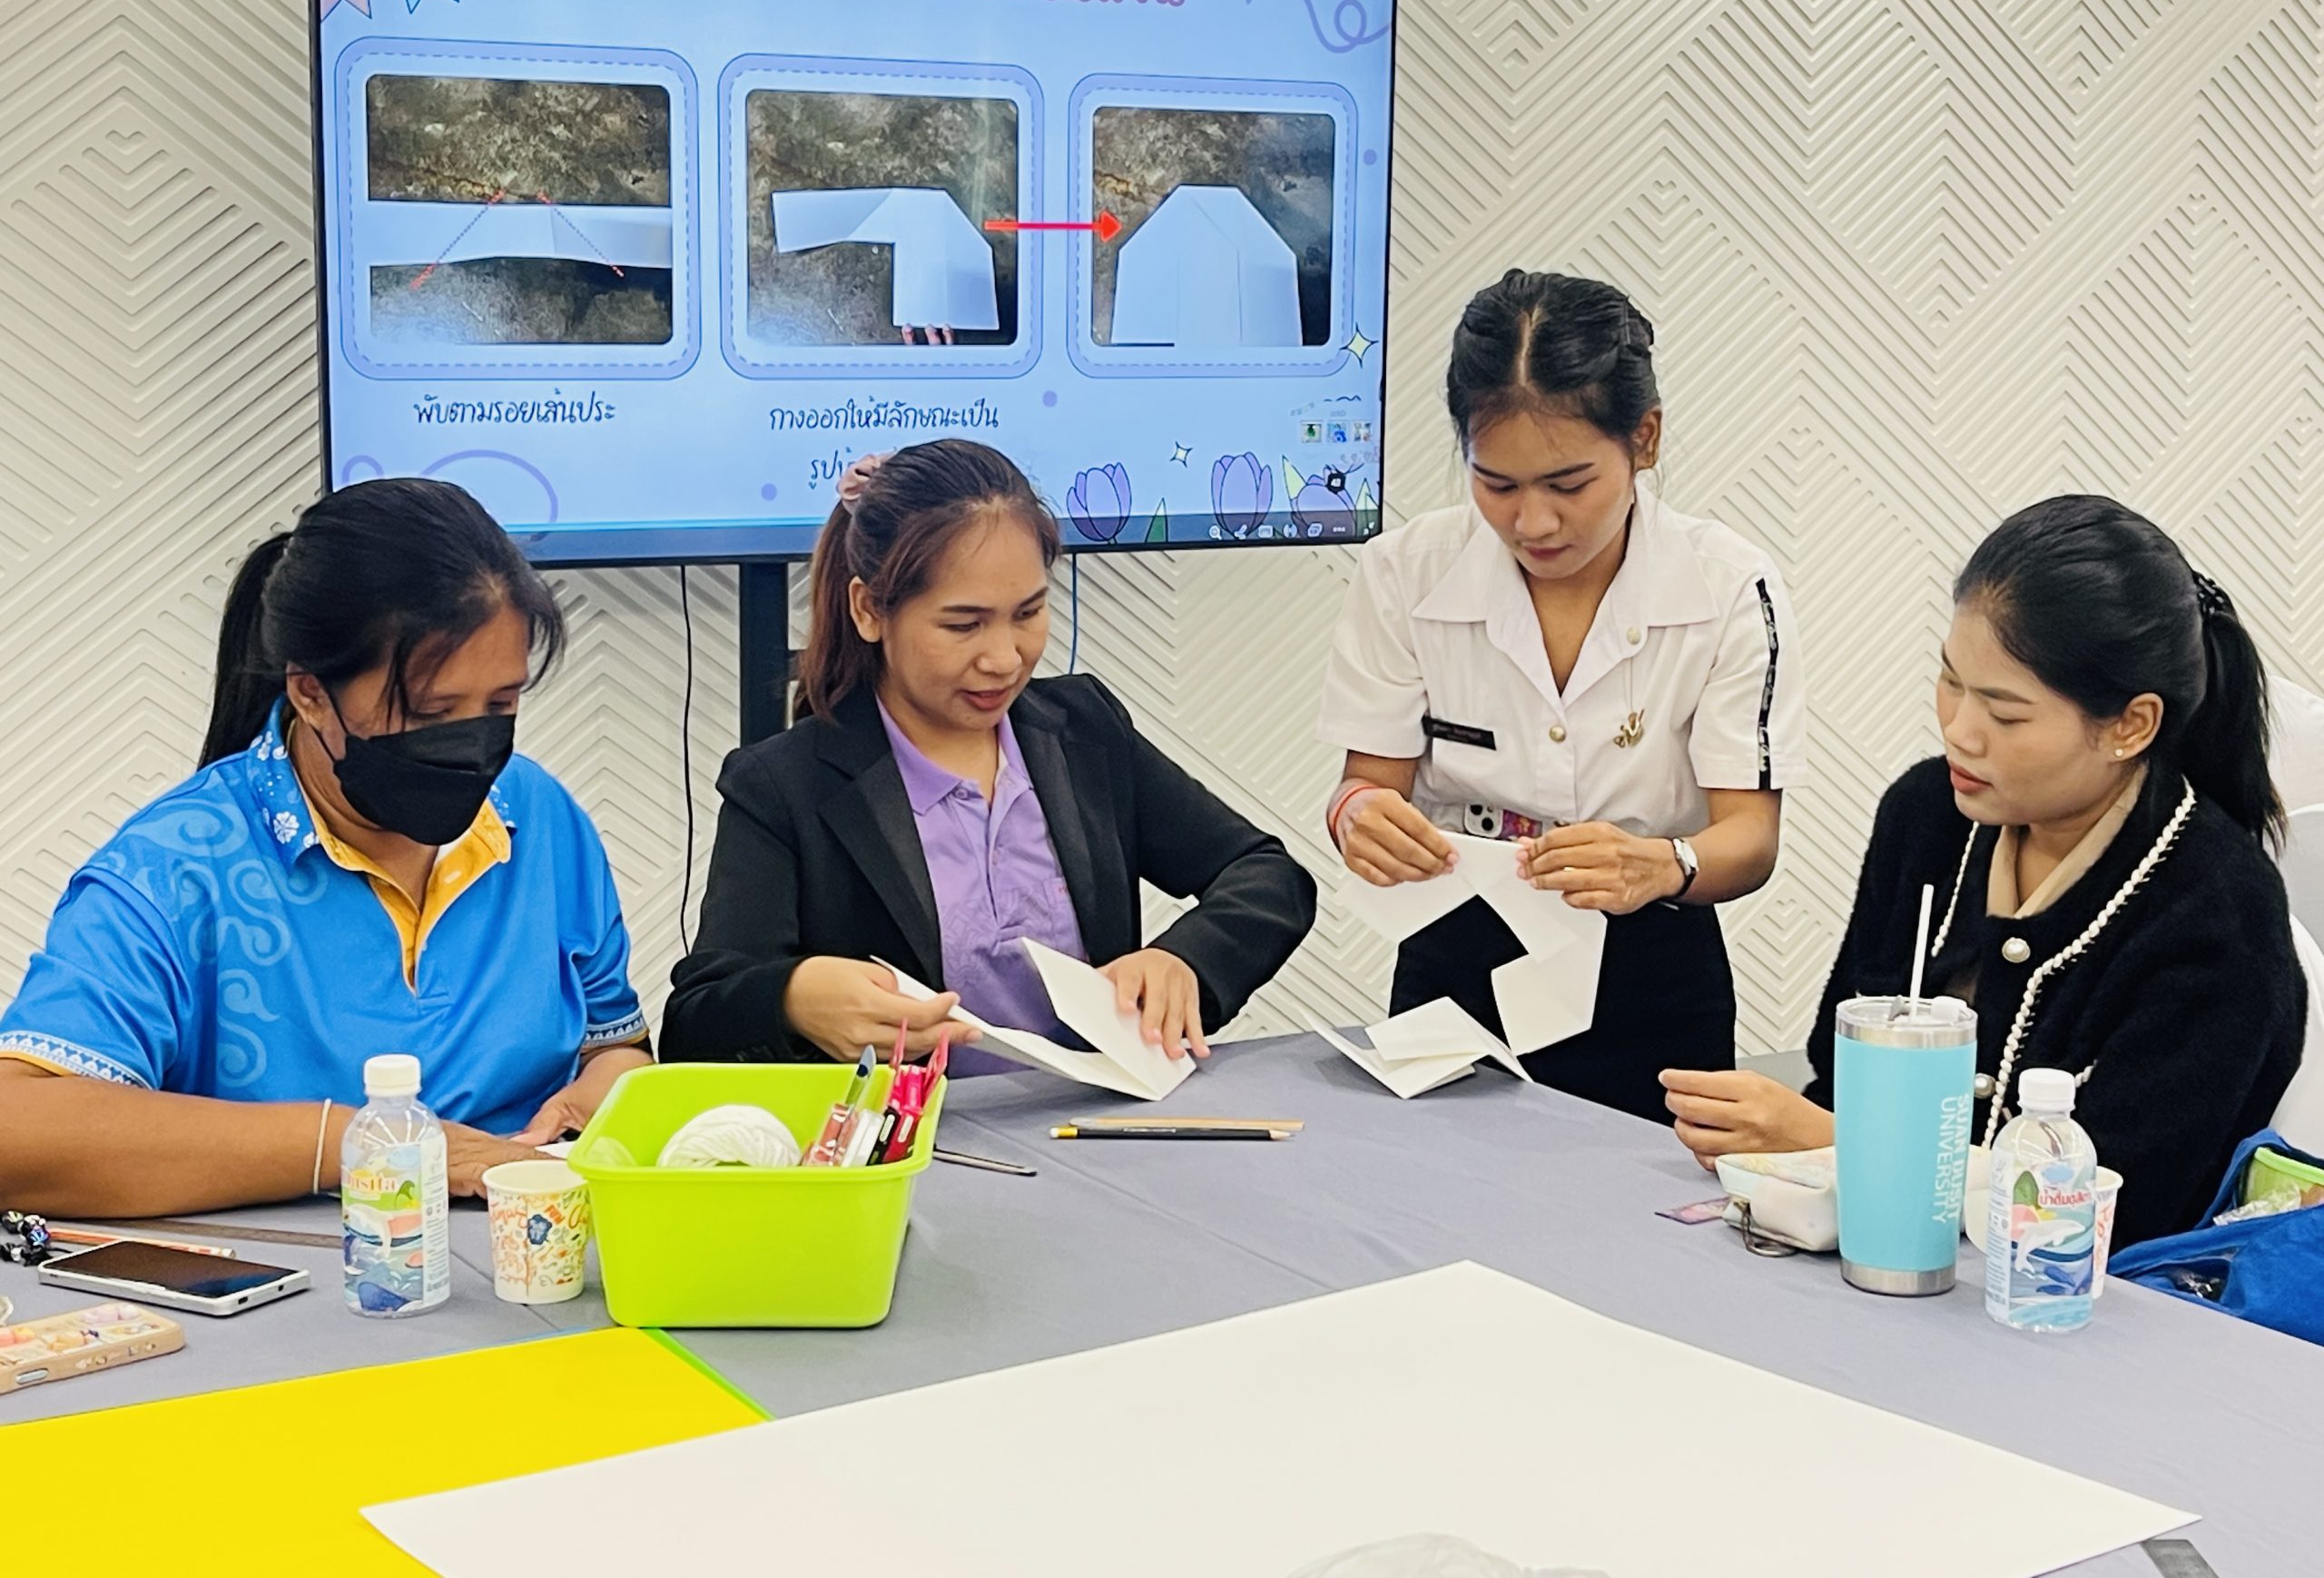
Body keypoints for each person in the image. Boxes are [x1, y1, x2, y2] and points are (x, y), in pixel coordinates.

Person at [1661, 496, 2306, 1246]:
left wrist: (1834, 1144)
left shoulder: (2218, 912)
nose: (1959, 732)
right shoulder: (1929, 816)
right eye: (1950, 681)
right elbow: (1839, 1072)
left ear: (2130, 725)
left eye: (2005, 714)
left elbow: (2122, 1205)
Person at [0, 479, 652, 1217]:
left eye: (502, 704)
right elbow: (18, 1133)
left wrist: (604, 1092)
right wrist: (363, 1143)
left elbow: (613, 1045)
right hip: (306, 1277)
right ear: (311, 694)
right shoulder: (173, 870)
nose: (475, 745)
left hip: (530, 1258)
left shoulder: (540, 816)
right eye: (431, 711)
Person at [659, 439, 1316, 1070]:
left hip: (1096, 1124)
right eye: (963, 625)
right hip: (913, 1140)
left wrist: (1184, 961)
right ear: (869, 609)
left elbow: (1268, 876)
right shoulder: (784, 786)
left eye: (1028, 613)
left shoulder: (1084, 732)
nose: (1004, 659)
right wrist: (794, 998)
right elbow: (696, 1025)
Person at [1318, 271, 1804, 1120]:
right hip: (1455, 952)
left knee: (1647, 1196)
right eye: (1497, 485)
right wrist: (1358, 819)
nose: (1533, 523)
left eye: (1569, 485)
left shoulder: (1729, 587)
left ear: (1644, 439)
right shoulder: (1405, 572)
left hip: (1652, 960)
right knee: (1434, 1184)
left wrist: (1666, 863)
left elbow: (1750, 839)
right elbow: (1366, 785)